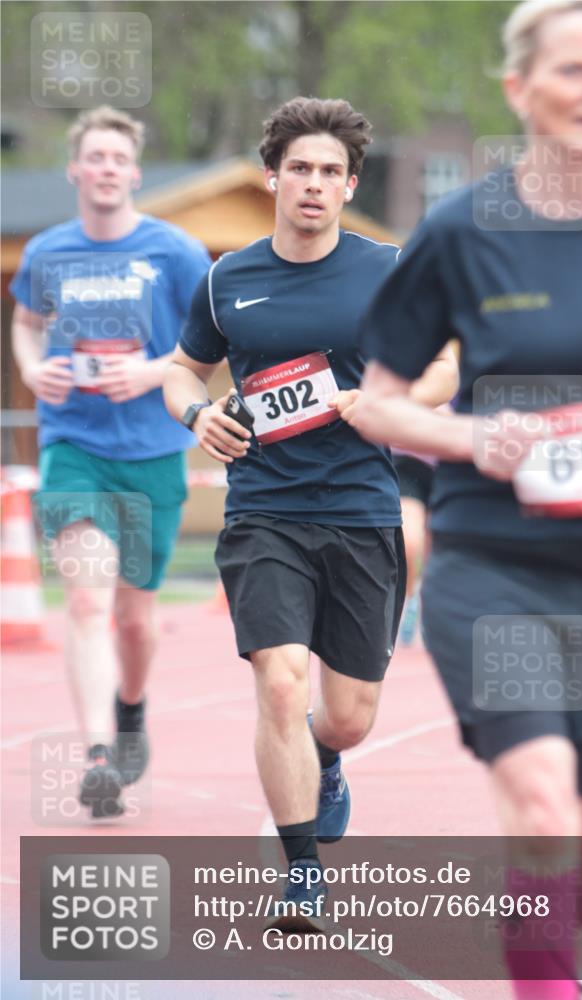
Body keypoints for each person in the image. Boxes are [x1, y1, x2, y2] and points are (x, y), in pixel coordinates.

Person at [355, 1, 582, 997]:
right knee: (540, 810)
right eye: (572, 69)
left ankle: (533, 930)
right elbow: (375, 403)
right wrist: (470, 437)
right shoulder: (460, 229)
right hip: (498, 566)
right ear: (518, 87)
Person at [163, 96, 406, 927]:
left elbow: (443, 363)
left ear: (349, 186)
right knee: (278, 682)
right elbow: (181, 369)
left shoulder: (387, 269)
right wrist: (198, 414)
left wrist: (382, 401)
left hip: (362, 510)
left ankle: (325, 757)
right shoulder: (226, 279)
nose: (313, 183)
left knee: (348, 717)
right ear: (272, 177)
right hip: (264, 510)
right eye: (299, 168)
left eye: (330, 171)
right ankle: (301, 869)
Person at [11, 106, 211, 818]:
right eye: (94, 157)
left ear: (134, 172)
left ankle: (131, 707)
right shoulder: (48, 252)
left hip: (153, 451)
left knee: (134, 620)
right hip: (74, 445)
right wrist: (32, 370)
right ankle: (98, 757)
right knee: (88, 600)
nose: (106, 169)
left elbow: (208, 340)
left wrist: (153, 372)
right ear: (75, 169)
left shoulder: (175, 251)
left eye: (118, 159)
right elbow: (26, 324)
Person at [393, 342, 459, 645]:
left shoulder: (476, 357)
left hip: (450, 467)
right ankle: (407, 600)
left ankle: (427, 604)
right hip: (409, 462)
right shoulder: (409, 345)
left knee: (439, 550)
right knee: (410, 541)